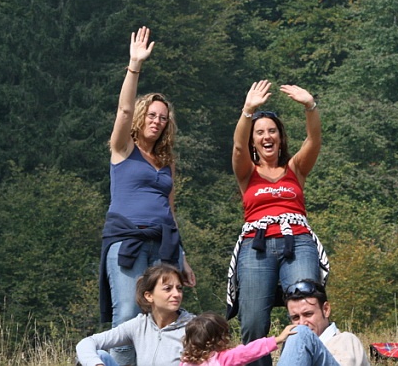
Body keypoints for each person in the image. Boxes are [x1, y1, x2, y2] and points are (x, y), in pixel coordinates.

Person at [99, 26, 196, 366]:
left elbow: (170, 210)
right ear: (142, 117)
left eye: (163, 118)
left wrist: (183, 257)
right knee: (128, 313)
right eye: (152, 115)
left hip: (164, 245)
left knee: (164, 317)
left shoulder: (166, 162)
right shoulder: (123, 148)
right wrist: (135, 66)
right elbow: (124, 111)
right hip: (128, 240)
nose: (157, 121)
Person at [226, 80, 330, 366]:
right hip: (256, 245)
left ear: (281, 138)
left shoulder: (294, 169)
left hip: (297, 241)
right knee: (253, 321)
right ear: (253, 141)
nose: (267, 136)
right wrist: (248, 111)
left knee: (306, 307)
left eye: (272, 131)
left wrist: (310, 106)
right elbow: (238, 147)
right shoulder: (247, 172)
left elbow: (314, 141)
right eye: (260, 132)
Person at [78, 264, 194, 366]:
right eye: (168, 289)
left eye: (179, 288)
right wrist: (97, 364)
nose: (176, 294)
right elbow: (87, 343)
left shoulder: (194, 328)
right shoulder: (139, 325)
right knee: (100, 355)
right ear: (149, 296)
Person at [283, 280, 370, 366]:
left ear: (326, 310)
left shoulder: (346, 340)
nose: (302, 323)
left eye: (308, 314)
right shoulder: (293, 347)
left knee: (301, 332)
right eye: (295, 317)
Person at [180, 311, 296, 366]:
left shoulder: (186, 363)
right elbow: (250, 351)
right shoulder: (223, 358)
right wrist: (278, 339)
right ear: (219, 338)